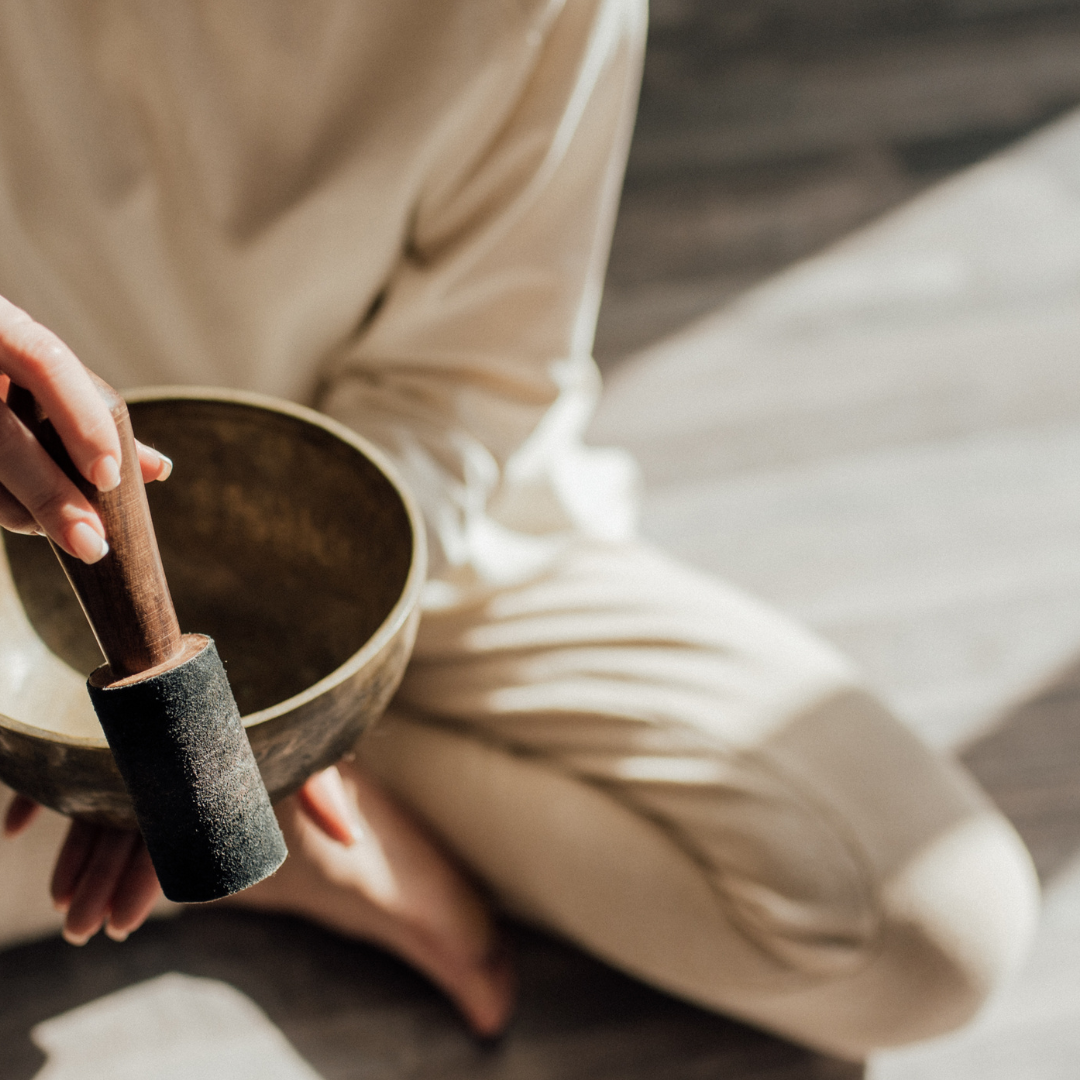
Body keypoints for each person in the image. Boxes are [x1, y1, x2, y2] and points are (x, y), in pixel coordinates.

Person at [0, 0, 1039, 1061]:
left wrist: (261, 717)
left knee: (925, 928)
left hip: (421, 552)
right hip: (25, 582)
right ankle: (260, 838)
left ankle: (262, 804)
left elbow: (463, 389)